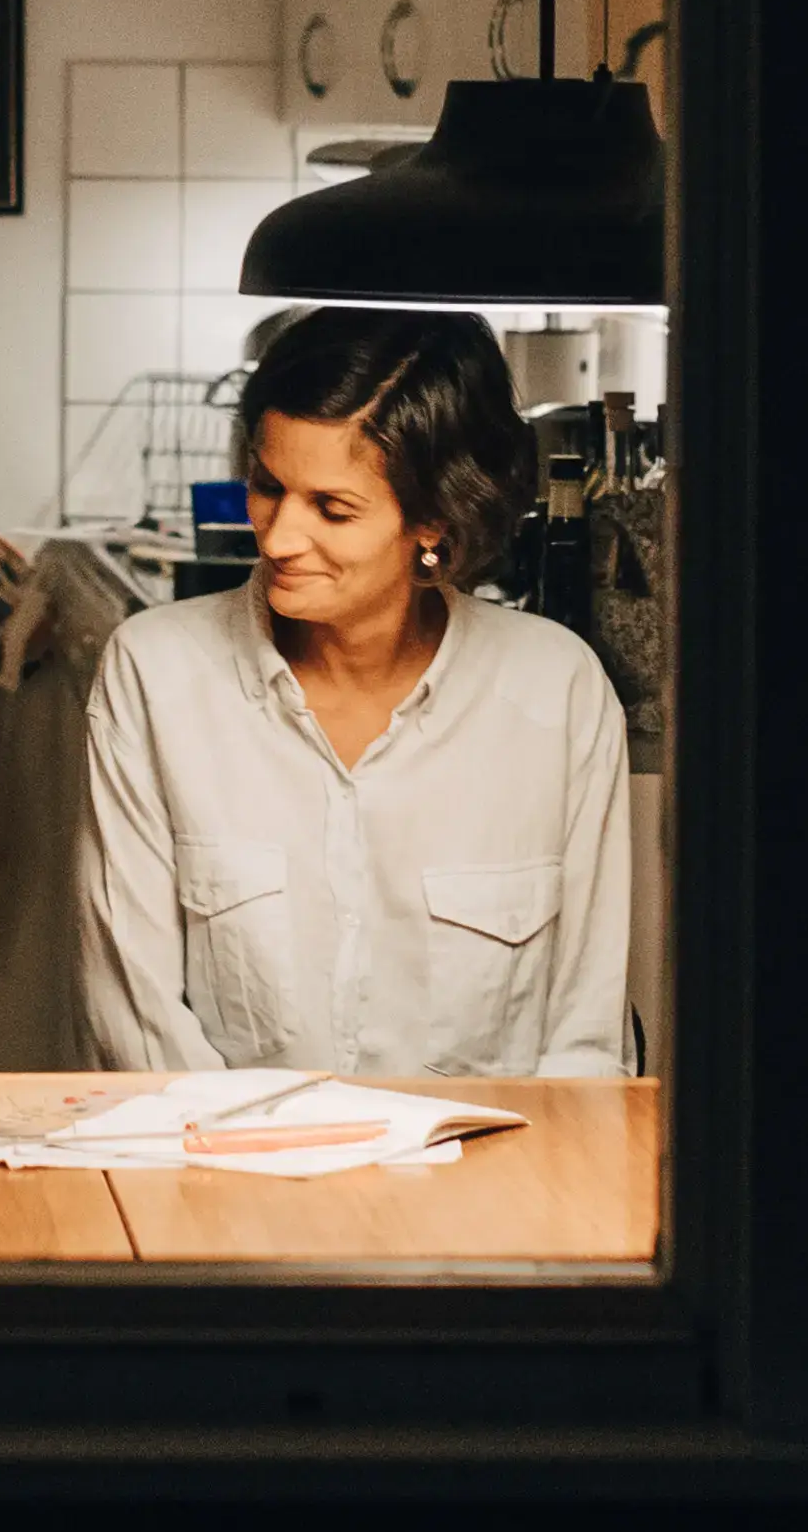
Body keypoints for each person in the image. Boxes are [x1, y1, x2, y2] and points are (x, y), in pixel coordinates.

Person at [79, 307, 631, 1079]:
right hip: (229, 1182)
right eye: (268, 487)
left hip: (487, 1191)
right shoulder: (159, 675)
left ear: (435, 524)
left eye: (332, 509)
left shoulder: (556, 695)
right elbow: (138, 1027)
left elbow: (587, 1043)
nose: (277, 539)